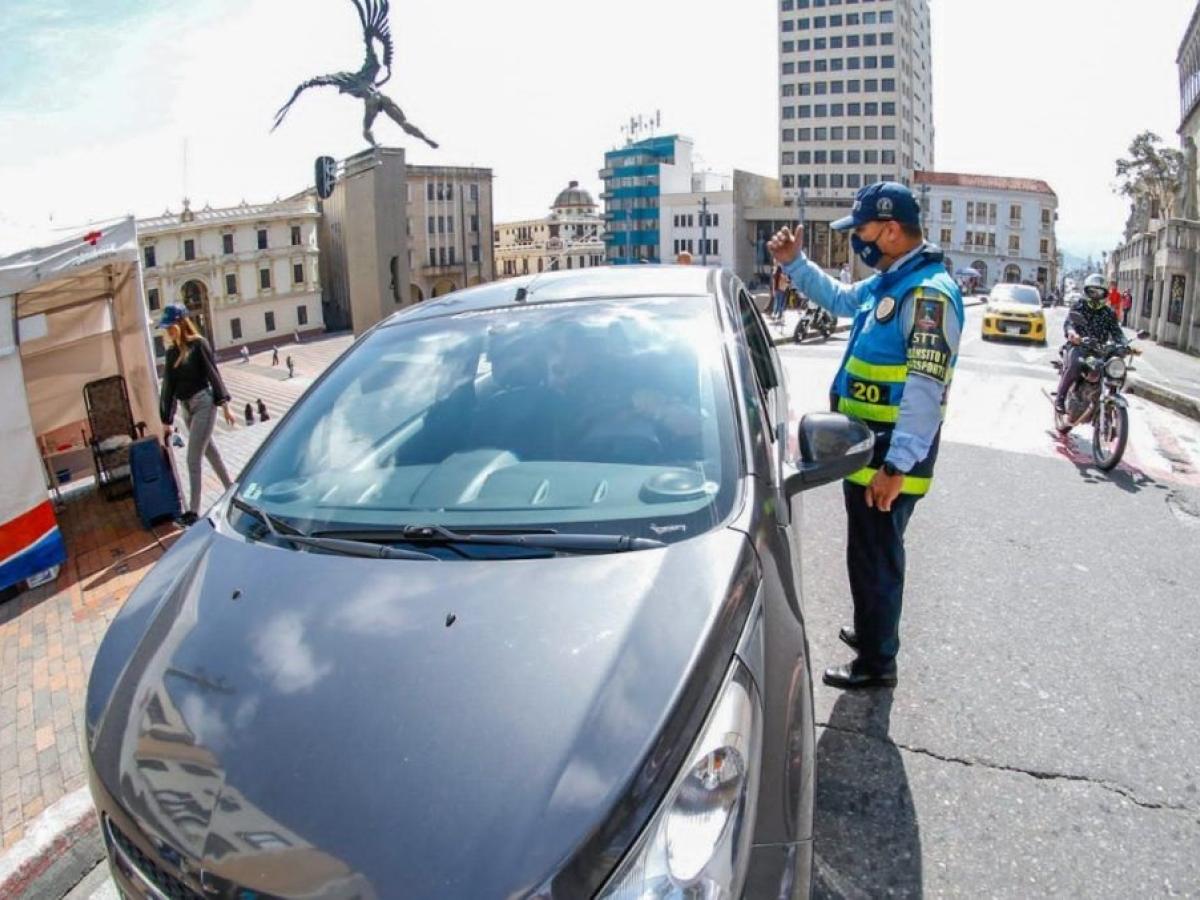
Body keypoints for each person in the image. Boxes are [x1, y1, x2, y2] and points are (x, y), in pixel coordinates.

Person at [768, 181, 964, 689]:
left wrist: (895, 467)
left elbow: (925, 390)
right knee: (868, 550)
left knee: (877, 556)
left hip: (890, 462)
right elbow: (837, 298)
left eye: (863, 230)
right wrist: (794, 263)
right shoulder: (890, 282)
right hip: (870, 454)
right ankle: (873, 630)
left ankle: (877, 663)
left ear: (892, 230)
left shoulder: (927, 295)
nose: (858, 239)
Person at [157, 304, 235, 526]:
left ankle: (193, 512)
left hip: (203, 404)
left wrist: (225, 405)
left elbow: (213, 374)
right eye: (166, 328)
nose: (168, 332)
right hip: (187, 409)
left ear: (181, 323)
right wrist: (166, 420)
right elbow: (168, 388)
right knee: (210, 451)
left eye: (171, 327)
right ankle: (232, 490)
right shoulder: (172, 352)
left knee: (193, 458)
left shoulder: (198, 344)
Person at [1054, 274, 1127, 416]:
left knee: (1115, 368)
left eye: (1100, 292)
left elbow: (1117, 331)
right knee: (1075, 364)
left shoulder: (1108, 313)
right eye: (1092, 291)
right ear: (1086, 291)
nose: (1096, 295)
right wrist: (1072, 334)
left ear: (1105, 293)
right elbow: (1069, 323)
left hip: (1099, 351)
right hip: (1079, 347)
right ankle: (1060, 398)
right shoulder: (1079, 306)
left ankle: (1106, 401)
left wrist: (1124, 344)